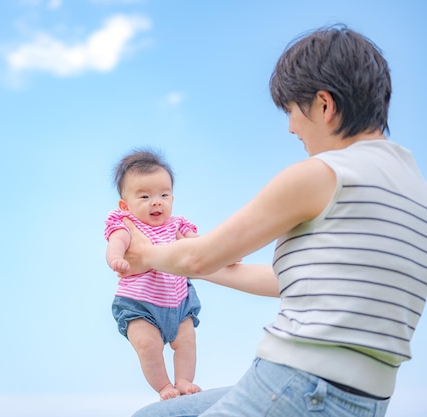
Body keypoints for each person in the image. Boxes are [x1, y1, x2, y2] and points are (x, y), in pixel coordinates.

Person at [125, 24, 427, 417]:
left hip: (299, 385)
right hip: (363, 399)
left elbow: (197, 257)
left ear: (324, 104)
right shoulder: (410, 185)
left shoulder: (321, 174)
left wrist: (146, 256)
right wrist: (197, 271)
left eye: (291, 110)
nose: (290, 127)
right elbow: (288, 280)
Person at [105, 149, 202, 400]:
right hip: (140, 305)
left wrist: (225, 254)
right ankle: (164, 386)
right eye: (145, 196)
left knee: (187, 341)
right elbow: (116, 242)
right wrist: (115, 258)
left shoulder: (177, 224)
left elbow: (201, 245)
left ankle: (183, 380)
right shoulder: (127, 223)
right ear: (125, 205)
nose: (156, 201)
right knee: (148, 346)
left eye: (163, 195)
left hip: (179, 301)